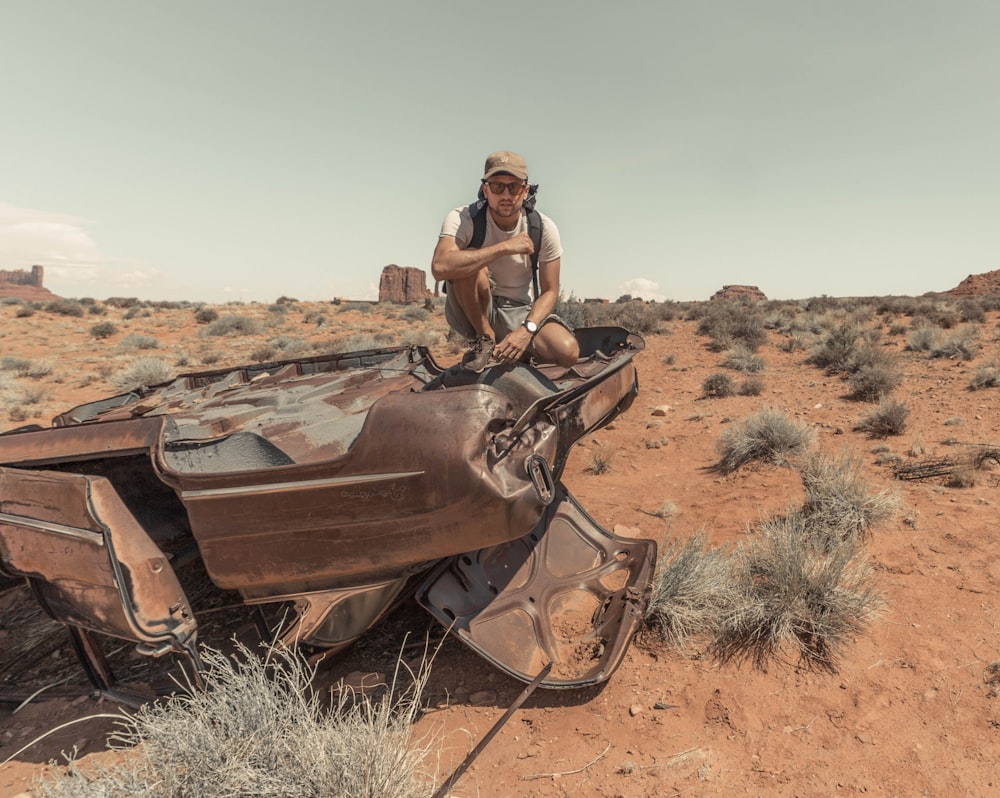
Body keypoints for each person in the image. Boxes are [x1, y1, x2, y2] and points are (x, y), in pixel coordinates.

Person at [432, 151, 580, 371]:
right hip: (471, 309)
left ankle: (517, 350)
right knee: (469, 261)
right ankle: (485, 339)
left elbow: (550, 290)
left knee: (568, 351)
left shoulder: (543, 227)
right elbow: (440, 266)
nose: (506, 194)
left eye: (514, 187)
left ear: (526, 190)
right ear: (485, 189)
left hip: (518, 309)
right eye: (497, 187)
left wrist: (526, 330)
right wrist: (504, 247)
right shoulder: (463, 218)